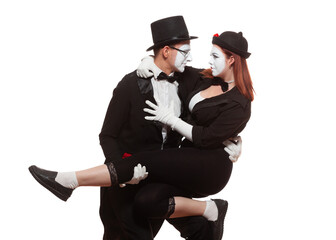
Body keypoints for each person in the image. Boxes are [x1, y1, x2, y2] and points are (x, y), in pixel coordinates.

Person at [29, 16, 242, 240]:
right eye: (185, 51)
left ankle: (210, 219)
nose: (190, 58)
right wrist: (122, 173)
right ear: (167, 51)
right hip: (125, 178)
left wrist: (233, 138)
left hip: (162, 177)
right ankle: (70, 181)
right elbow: (107, 135)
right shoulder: (130, 85)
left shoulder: (190, 79)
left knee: (189, 224)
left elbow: (227, 94)